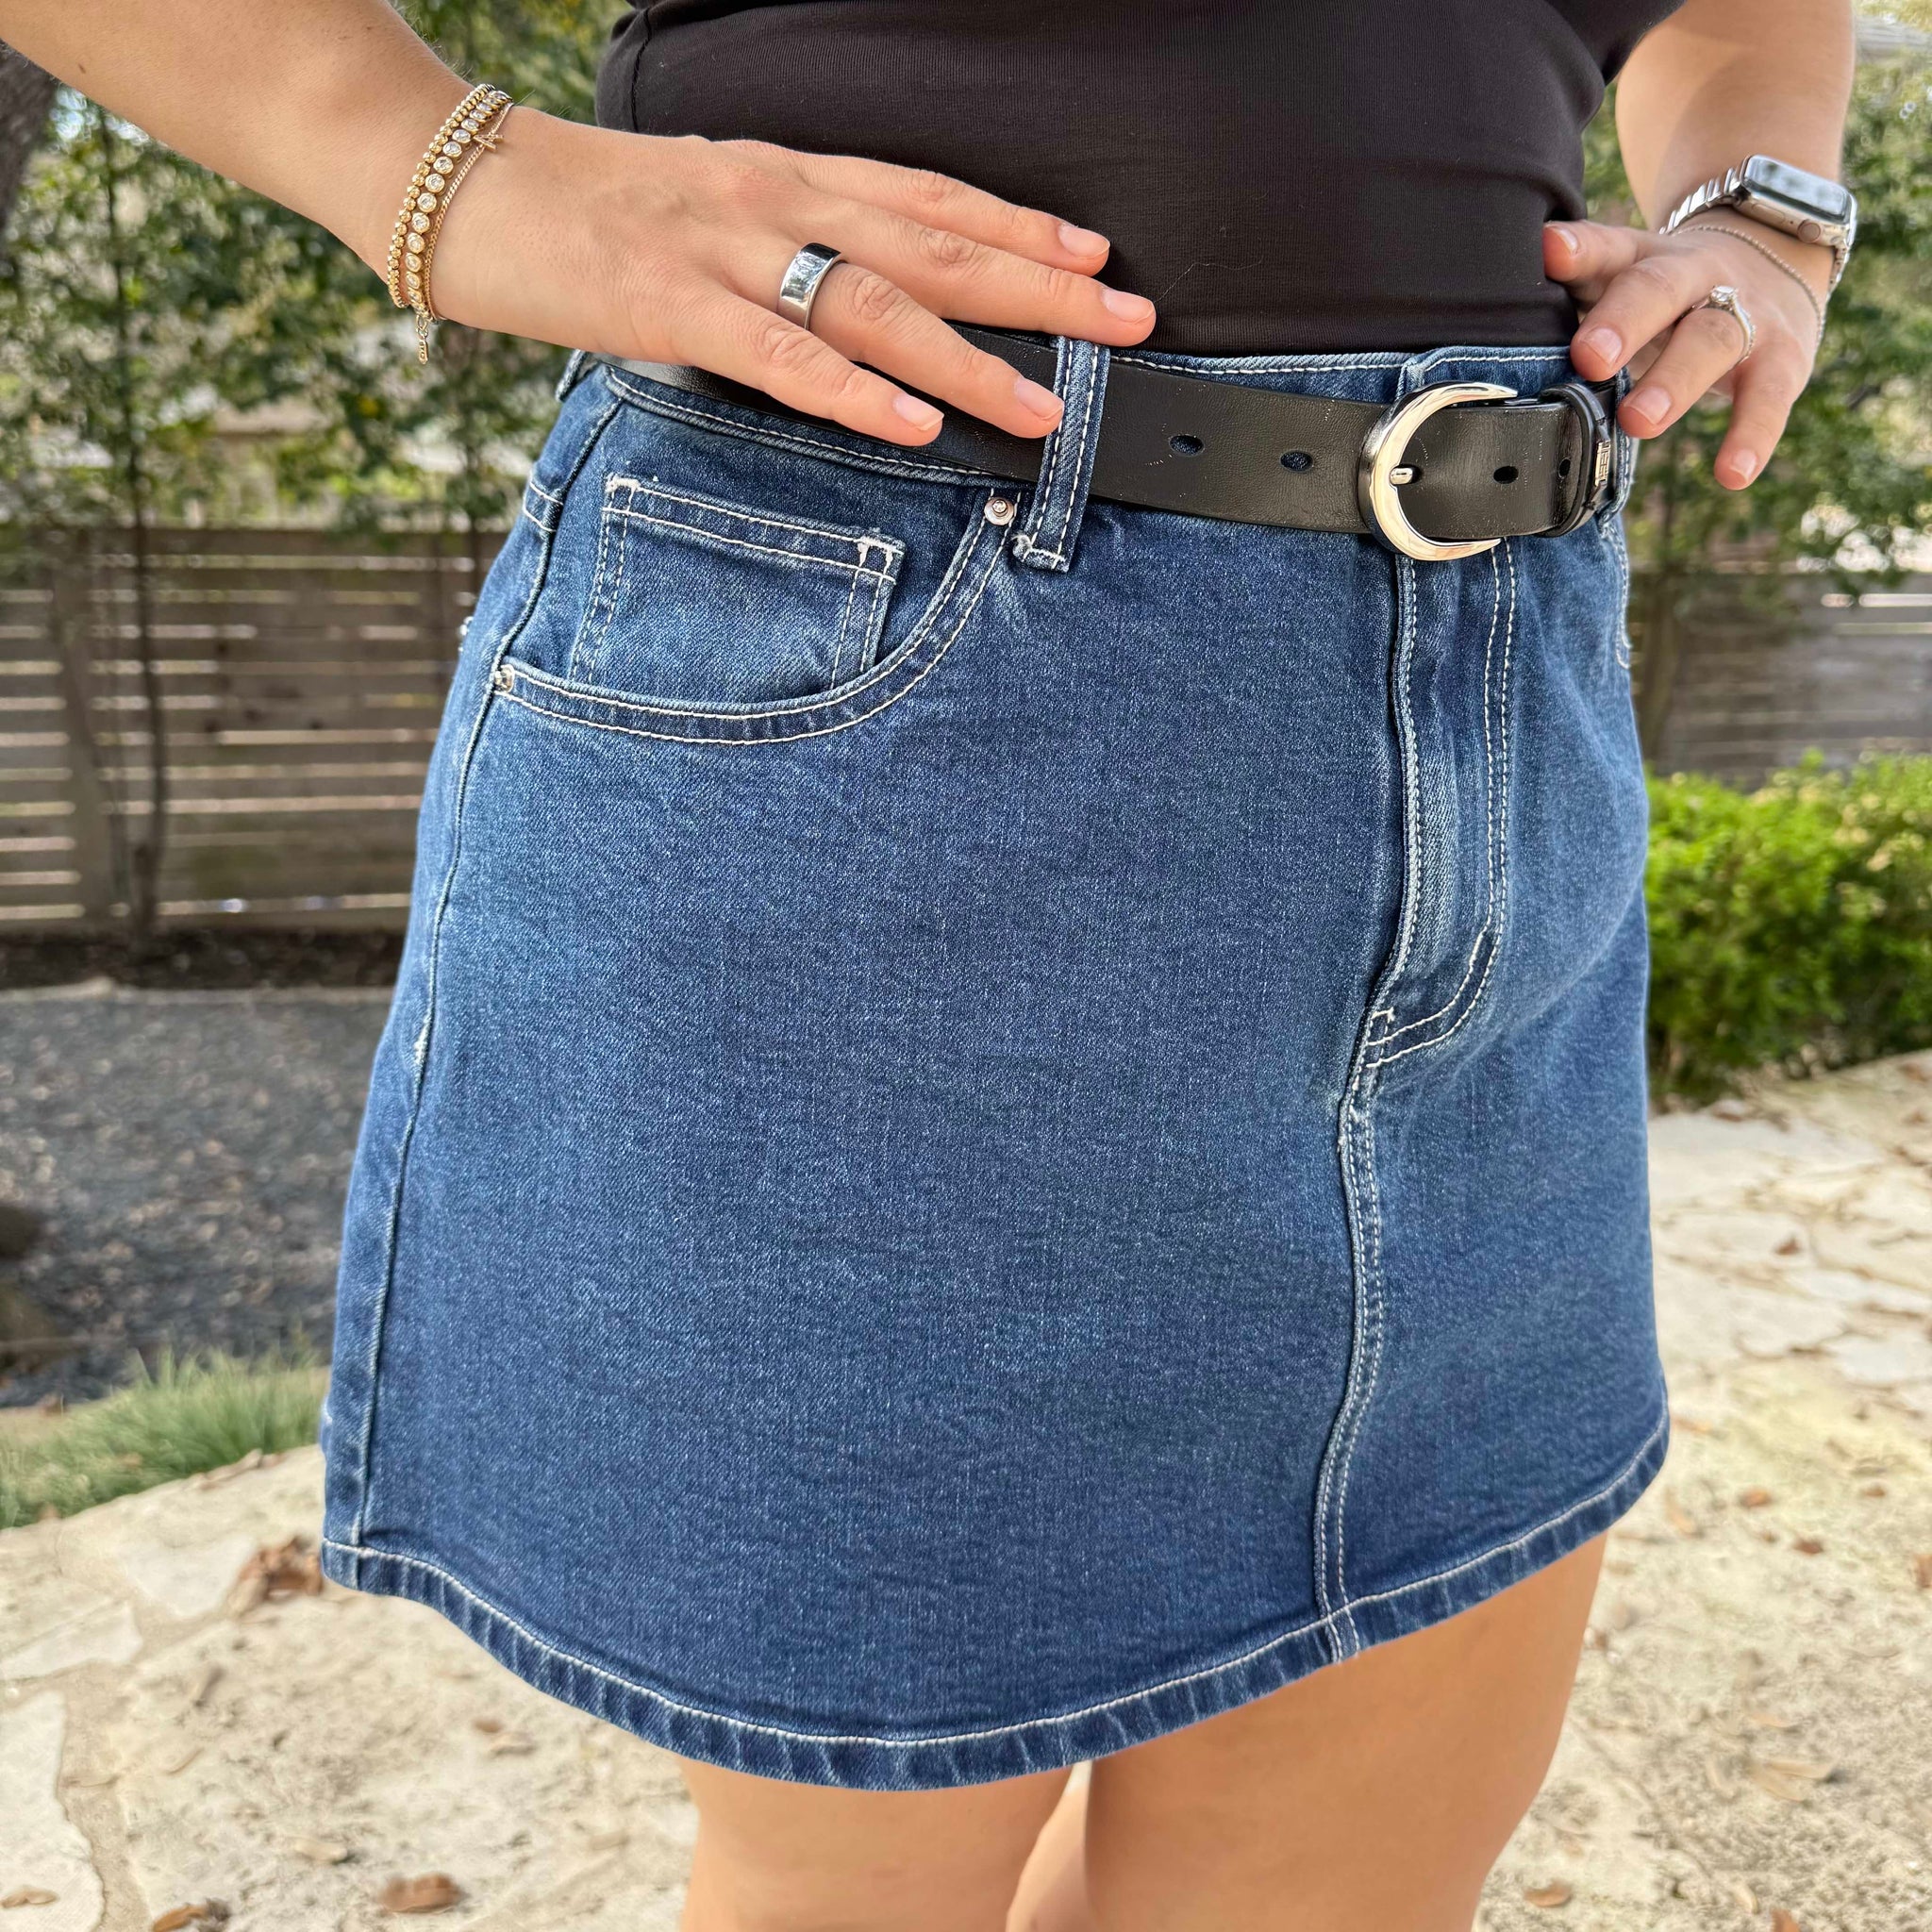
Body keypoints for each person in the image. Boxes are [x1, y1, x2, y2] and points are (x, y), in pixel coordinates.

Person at [2, 3, 1856, 1925]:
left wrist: (1766, 213)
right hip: (899, 677)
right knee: (871, 1878)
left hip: (1499, 697)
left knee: (1354, 1858)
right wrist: (431, 166)